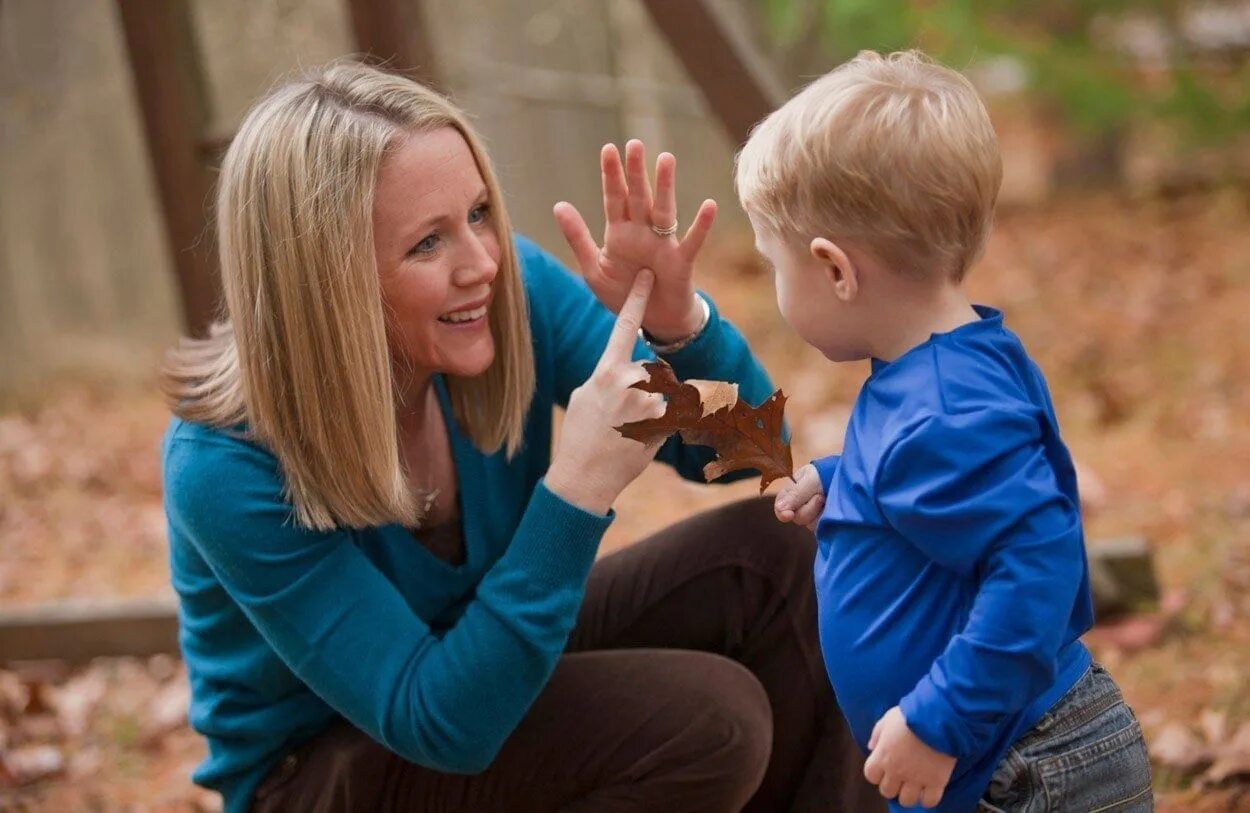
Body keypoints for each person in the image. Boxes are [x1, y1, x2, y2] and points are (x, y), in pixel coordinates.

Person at [160, 61, 881, 813]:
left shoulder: (507, 298)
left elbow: (752, 453)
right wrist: (574, 492)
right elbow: (438, 720)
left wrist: (679, 327)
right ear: (327, 281)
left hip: (479, 657)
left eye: (477, 214)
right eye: (427, 243)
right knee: (709, 720)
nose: (482, 262)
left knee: (779, 556)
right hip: (321, 766)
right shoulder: (224, 462)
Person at [741, 51, 1153, 812]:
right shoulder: (940, 373)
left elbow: (1037, 562)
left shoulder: (940, 410)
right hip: (997, 755)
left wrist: (941, 721)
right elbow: (958, 483)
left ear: (835, 269)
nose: (773, 282)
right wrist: (847, 481)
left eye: (774, 262)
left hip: (1026, 766)